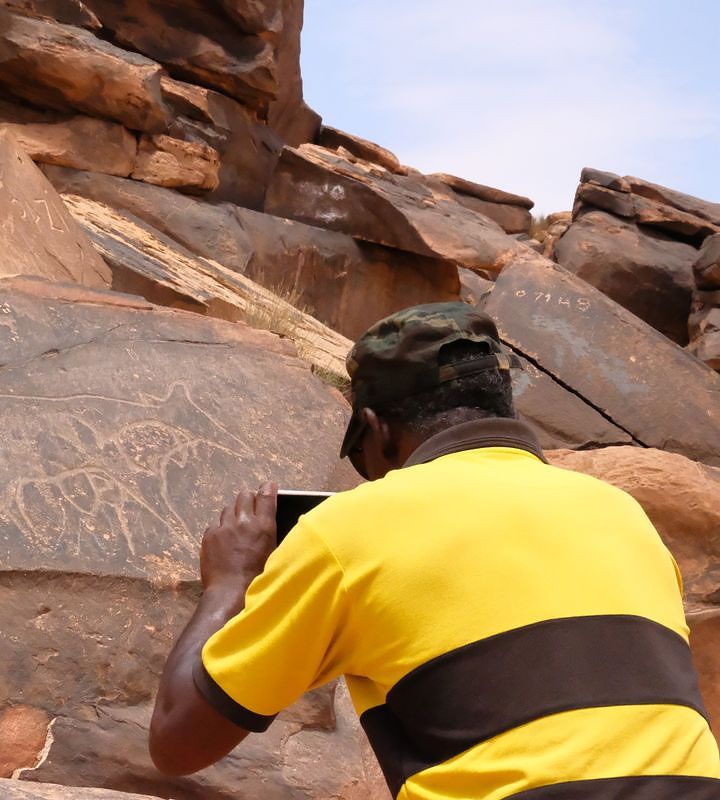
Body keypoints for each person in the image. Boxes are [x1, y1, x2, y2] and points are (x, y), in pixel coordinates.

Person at [148, 302, 720, 798]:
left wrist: (227, 584)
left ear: (378, 428)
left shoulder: (350, 531)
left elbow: (178, 742)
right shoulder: (622, 513)